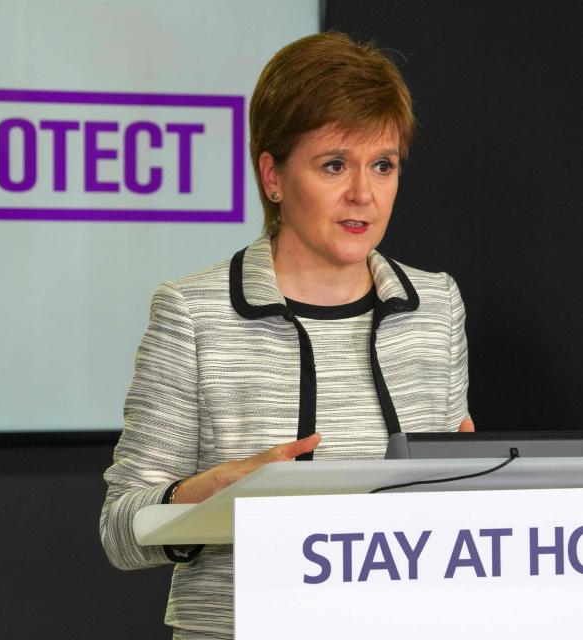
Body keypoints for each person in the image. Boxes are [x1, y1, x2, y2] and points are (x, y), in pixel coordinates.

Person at [100, 31, 473, 639]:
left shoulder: (435, 306)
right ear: (272, 176)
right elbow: (120, 531)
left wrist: (477, 479)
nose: (363, 194)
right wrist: (198, 495)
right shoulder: (193, 312)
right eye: (334, 165)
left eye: (383, 165)